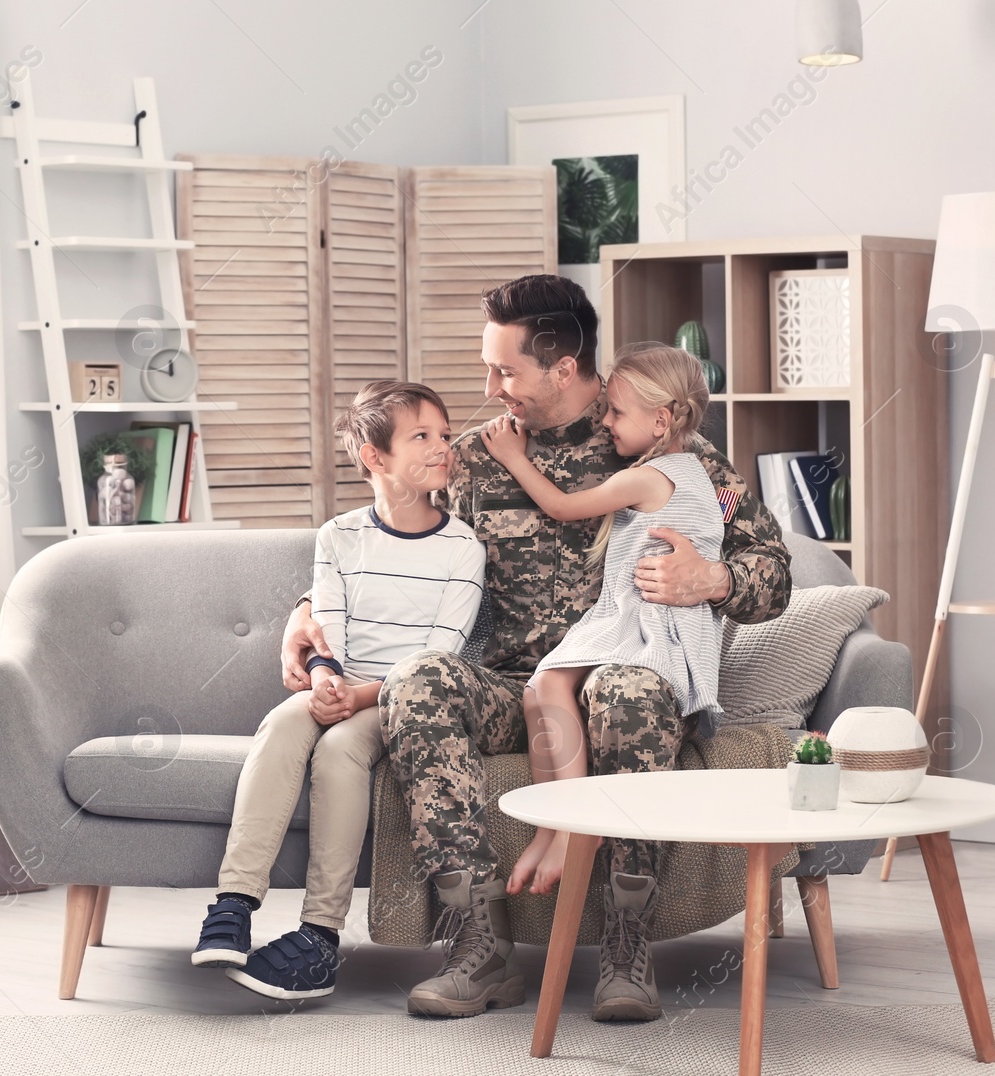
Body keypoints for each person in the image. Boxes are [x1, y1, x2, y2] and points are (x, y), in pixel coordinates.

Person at [280, 274, 790, 1022]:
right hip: (507, 687)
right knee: (419, 681)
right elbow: (377, 534)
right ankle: (477, 949)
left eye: (505, 370)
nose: (490, 389)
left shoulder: (670, 452)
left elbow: (773, 576)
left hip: (618, 676)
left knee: (629, 692)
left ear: (562, 366)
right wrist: (303, 613)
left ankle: (627, 947)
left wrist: (709, 576)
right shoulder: (476, 458)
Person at [192, 380, 486, 1002]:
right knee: (281, 724)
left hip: (403, 697)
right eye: (422, 436)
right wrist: (325, 676)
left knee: (339, 750)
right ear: (374, 458)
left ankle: (320, 937)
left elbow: (442, 649)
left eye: (443, 432)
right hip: (342, 683)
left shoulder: (462, 545)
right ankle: (233, 905)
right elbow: (329, 623)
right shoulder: (339, 536)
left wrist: (361, 697)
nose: (443, 447)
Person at [478, 343, 725, 899]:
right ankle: (553, 824)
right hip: (633, 611)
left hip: (649, 620)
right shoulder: (679, 471)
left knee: (547, 685)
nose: (606, 421)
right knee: (540, 688)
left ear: (660, 421)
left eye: (617, 412)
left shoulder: (654, 476)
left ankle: (571, 828)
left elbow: (564, 507)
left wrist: (515, 459)